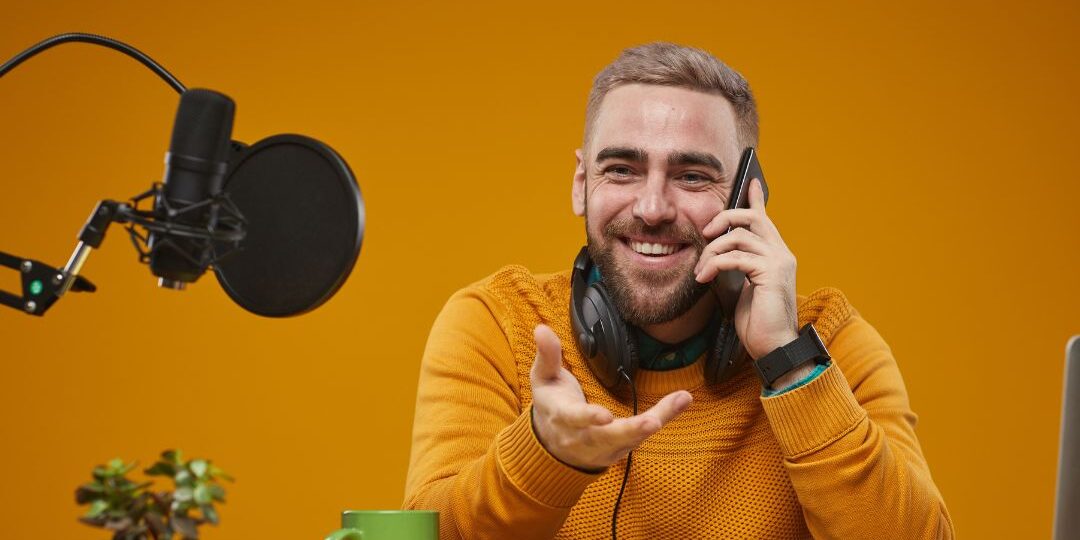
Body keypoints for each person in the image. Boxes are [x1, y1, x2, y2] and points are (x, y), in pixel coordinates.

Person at [403, 42, 953, 539]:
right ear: (581, 184)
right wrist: (544, 454)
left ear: (746, 196)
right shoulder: (498, 323)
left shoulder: (830, 342)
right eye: (621, 169)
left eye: (691, 176)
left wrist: (787, 363)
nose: (651, 209)